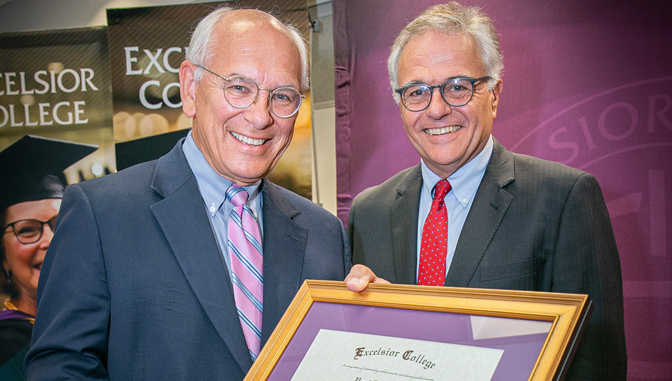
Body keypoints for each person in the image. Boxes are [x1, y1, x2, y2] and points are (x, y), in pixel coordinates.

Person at [25, 8, 350, 380]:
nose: (261, 116)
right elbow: (60, 367)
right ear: (190, 88)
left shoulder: (325, 234)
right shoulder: (101, 214)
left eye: (282, 95)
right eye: (239, 88)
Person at [345, 3, 626, 380]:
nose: (437, 109)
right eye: (416, 92)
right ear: (400, 103)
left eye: (457, 87)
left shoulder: (563, 197)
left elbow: (595, 365)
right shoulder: (369, 211)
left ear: (493, 94)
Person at [0, 135, 96, 379]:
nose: (50, 241)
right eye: (27, 230)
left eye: (60, 223)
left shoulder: (101, 324)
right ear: (3, 257)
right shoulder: (5, 348)